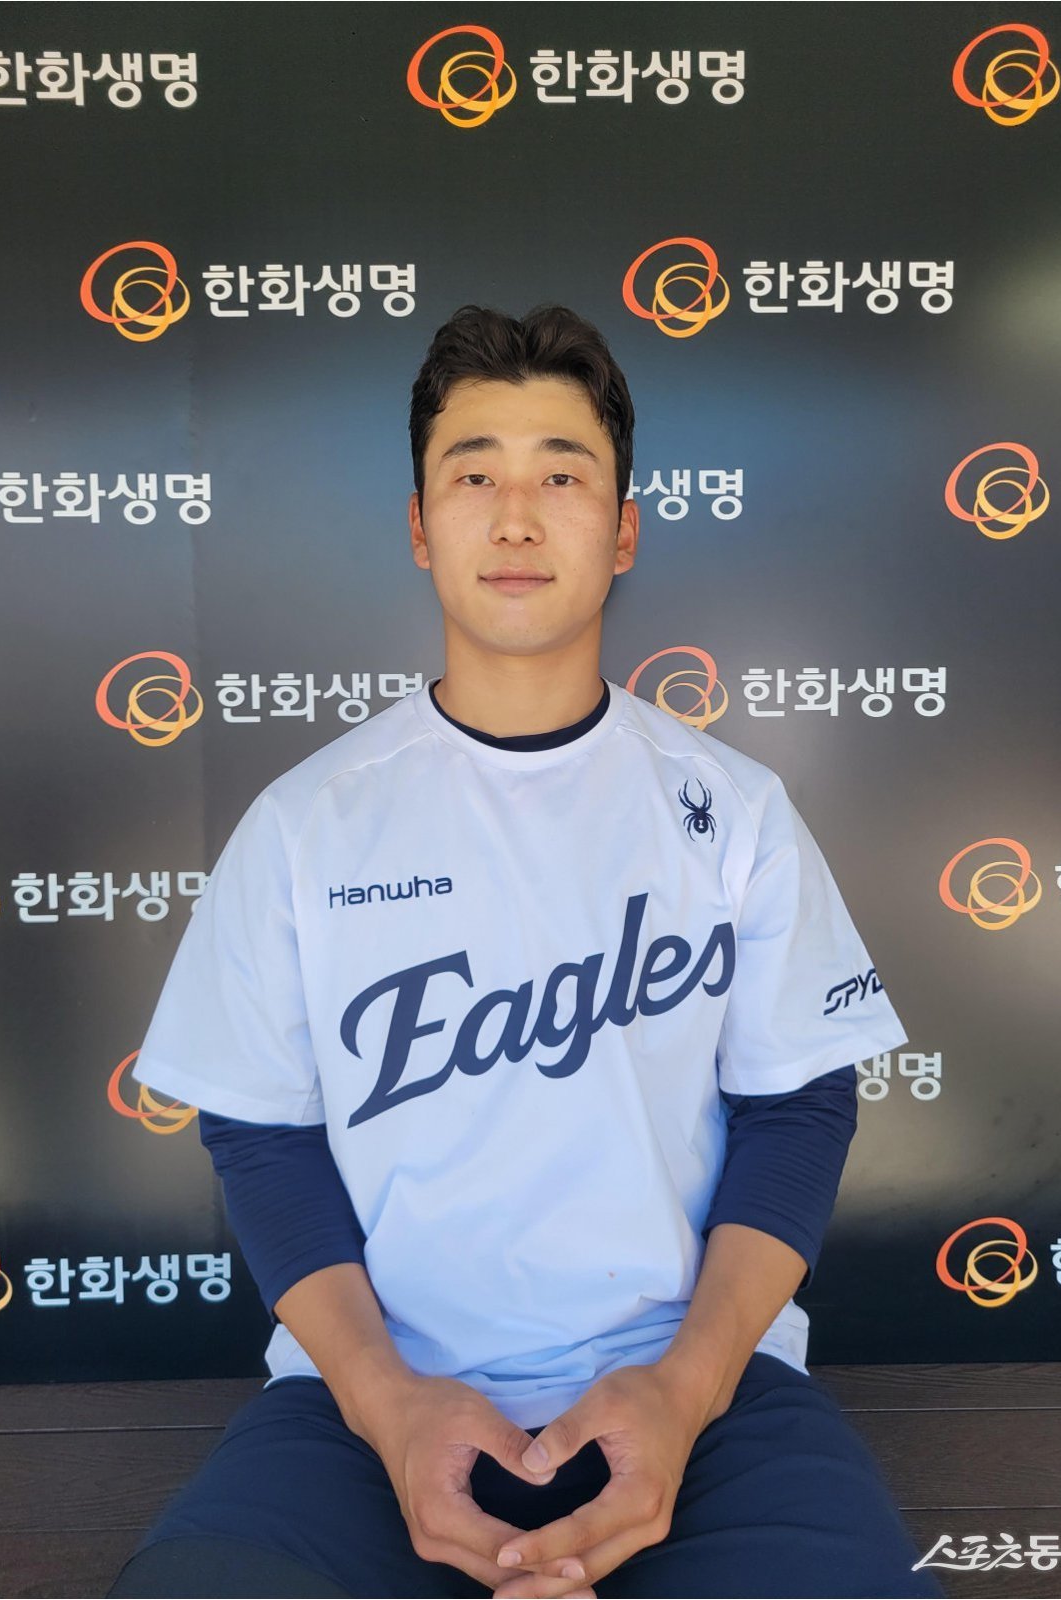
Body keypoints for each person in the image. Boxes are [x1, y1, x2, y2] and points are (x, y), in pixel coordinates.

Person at [108, 304, 944, 1599]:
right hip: (369, 1404)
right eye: (473, 475)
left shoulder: (734, 809)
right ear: (418, 525)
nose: (514, 517)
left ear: (623, 531)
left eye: (562, 475)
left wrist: (682, 1391)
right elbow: (262, 1140)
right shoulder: (306, 823)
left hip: (697, 1394)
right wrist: (390, 1407)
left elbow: (798, 1107)